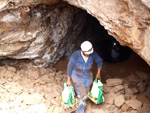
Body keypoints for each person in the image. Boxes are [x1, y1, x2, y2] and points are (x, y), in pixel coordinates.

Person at [67, 41, 103, 113]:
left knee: (86, 93)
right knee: (82, 94)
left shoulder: (93, 54)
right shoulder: (76, 55)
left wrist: (98, 73)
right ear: (82, 51)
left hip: (88, 75)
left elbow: (99, 61)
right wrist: (69, 79)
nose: (89, 54)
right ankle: (80, 111)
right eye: (87, 53)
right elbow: (70, 66)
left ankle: (82, 105)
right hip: (77, 75)